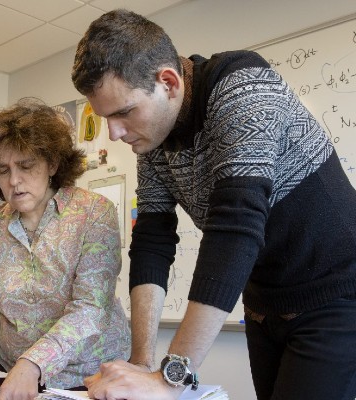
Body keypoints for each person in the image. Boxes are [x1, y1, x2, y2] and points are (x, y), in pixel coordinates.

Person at [71, 9, 356, 400]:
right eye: (106, 118)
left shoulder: (242, 85)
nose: (115, 133)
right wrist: (141, 364)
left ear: (167, 82)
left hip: (337, 294)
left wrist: (169, 378)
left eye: (123, 113)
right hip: (265, 306)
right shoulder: (152, 138)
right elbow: (153, 239)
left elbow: (235, 228)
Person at [0, 98, 131, 400]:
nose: (14, 181)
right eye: (2, 170)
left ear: (52, 164)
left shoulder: (94, 213)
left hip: (85, 377)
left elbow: (90, 309)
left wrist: (33, 363)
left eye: (26, 166)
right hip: (8, 372)